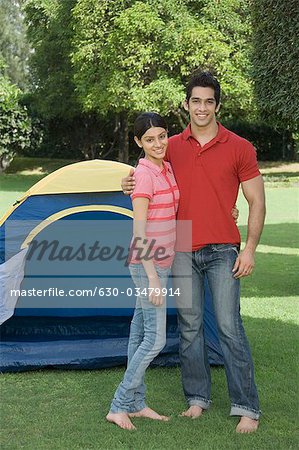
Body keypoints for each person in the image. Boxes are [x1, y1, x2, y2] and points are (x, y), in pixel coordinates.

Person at [121, 72, 266, 434]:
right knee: (190, 328)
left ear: (217, 105)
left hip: (223, 249)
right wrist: (127, 182)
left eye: (209, 101)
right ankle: (197, 399)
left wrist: (248, 249)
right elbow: (146, 171)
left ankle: (247, 406)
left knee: (230, 327)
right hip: (180, 249)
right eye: (195, 101)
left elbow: (257, 202)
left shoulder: (240, 147)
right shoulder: (170, 145)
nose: (202, 108)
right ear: (186, 104)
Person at [106, 112, 179, 430]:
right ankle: (119, 404)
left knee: (139, 334)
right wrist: (152, 278)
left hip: (161, 262)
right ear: (138, 142)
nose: (158, 143)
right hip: (148, 265)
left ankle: (136, 404)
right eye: (149, 139)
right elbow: (139, 231)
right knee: (155, 339)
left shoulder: (168, 167)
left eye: (162, 136)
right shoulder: (145, 174)